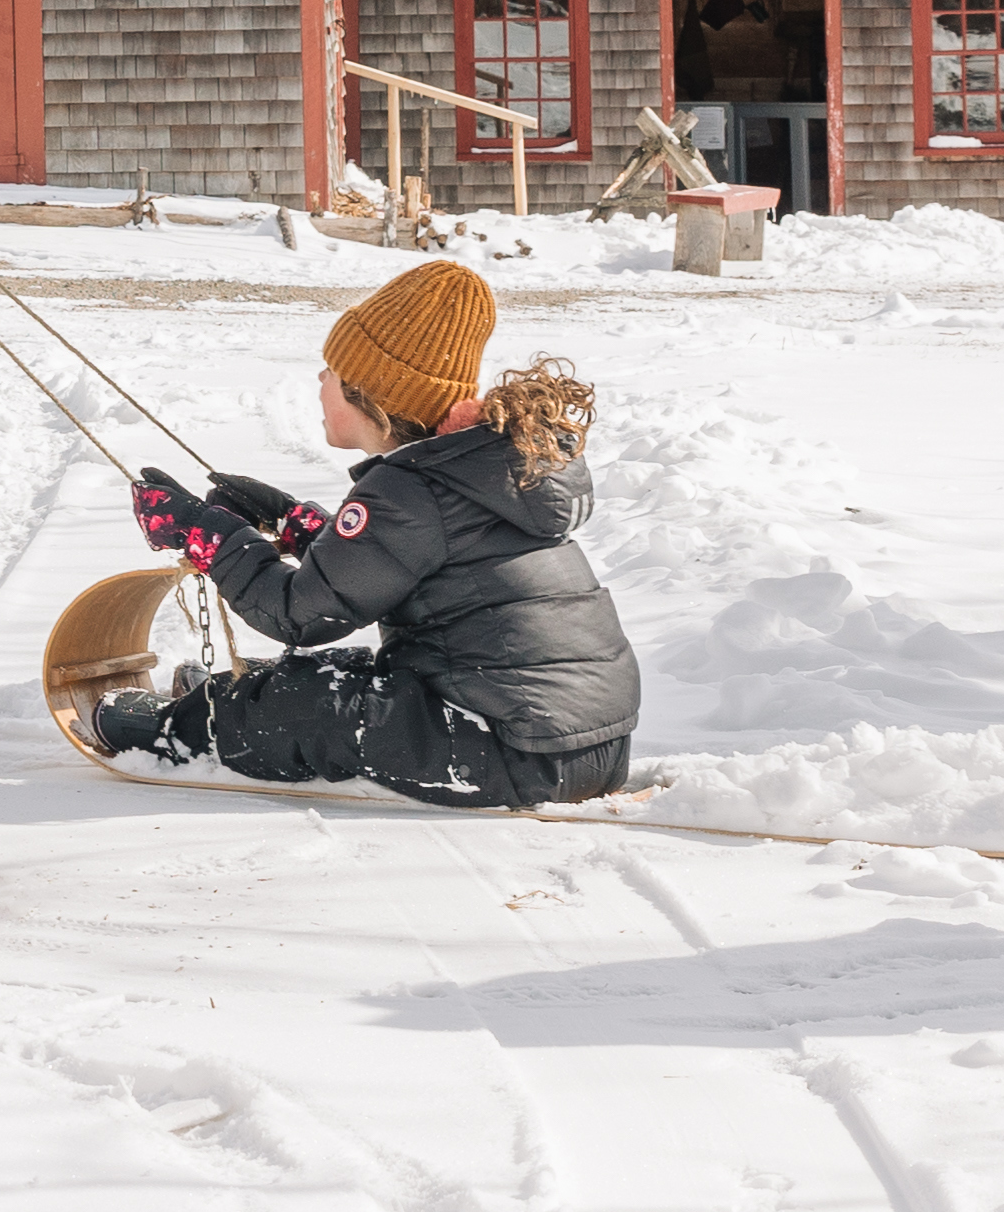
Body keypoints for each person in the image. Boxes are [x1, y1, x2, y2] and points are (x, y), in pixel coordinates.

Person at [89, 259, 639, 808]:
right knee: (349, 672)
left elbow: (297, 616)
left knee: (306, 706)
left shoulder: (411, 489)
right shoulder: (470, 471)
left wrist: (206, 536)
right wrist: (292, 523)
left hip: (511, 751)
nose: (320, 381)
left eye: (331, 371)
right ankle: (232, 694)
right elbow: (386, 563)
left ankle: (183, 728)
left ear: (369, 396)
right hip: (567, 741)